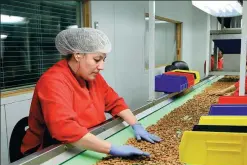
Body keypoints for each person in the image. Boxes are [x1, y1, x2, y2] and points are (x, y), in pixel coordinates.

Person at [21, 28, 161, 158]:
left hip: (87, 138)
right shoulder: (53, 81)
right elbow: (64, 129)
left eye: (103, 60)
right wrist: (112, 149)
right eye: (96, 59)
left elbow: (115, 102)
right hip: (50, 149)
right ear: (77, 55)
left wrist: (135, 124)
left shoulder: (92, 77)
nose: (101, 67)